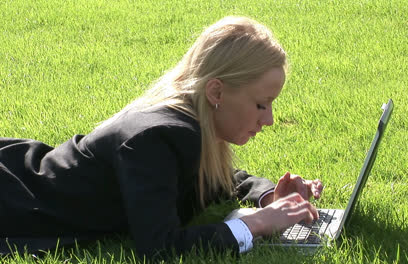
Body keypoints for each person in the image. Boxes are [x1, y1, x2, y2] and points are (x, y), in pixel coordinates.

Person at [0, 16, 323, 260]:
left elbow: (215, 179)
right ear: (216, 91)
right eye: (260, 104)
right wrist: (256, 224)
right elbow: (159, 248)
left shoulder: (188, 124)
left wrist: (268, 196)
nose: (267, 120)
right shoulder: (155, 138)